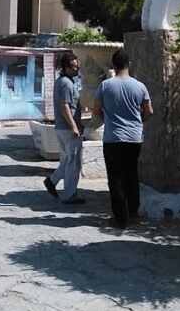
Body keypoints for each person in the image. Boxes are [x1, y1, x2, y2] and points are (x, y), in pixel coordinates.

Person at [92, 49, 153, 227]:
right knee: (131, 173)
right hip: (134, 138)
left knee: (115, 178)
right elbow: (149, 111)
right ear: (129, 64)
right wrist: (137, 122)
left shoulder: (105, 86)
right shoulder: (140, 86)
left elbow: (96, 110)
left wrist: (106, 120)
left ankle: (120, 217)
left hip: (113, 138)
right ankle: (134, 210)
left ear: (113, 65)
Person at [43, 52, 85, 204]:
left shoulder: (61, 81)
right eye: (74, 66)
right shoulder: (67, 84)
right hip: (68, 129)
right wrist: (74, 126)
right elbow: (65, 107)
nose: (77, 68)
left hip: (62, 128)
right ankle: (69, 195)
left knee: (68, 160)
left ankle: (52, 181)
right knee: (73, 163)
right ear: (66, 68)